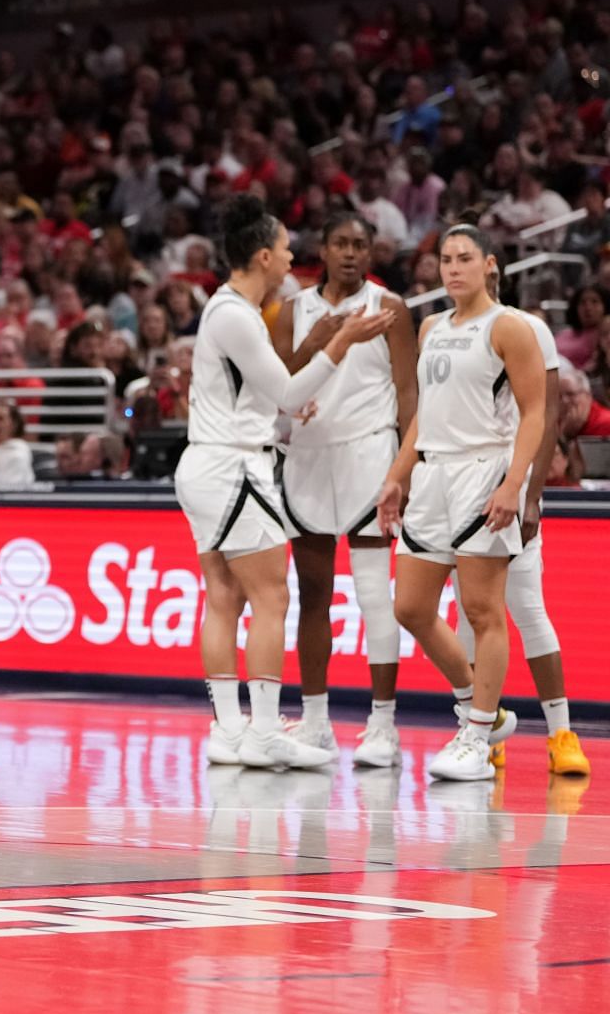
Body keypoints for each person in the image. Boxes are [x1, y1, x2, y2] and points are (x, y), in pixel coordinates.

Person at [178, 194, 391, 770]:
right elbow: (291, 390)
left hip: (209, 463)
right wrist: (339, 343)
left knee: (223, 597)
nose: (292, 253)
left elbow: (265, 401)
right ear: (263, 256)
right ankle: (266, 731)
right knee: (272, 596)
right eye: (285, 247)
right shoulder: (235, 316)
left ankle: (228, 729)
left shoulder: (228, 311)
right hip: (232, 468)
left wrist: (288, 410)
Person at [376, 225, 546, 782]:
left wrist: (512, 484)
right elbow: (427, 411)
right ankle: (483, 705)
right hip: (433, 473)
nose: (453, 268)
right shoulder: (430, 327)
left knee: (482, 609)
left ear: (488, 264)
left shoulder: (509, 328)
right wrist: (398, 476)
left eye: (464, 258)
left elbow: (535, 414)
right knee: (411, 608)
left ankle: (474, 736)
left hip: (484, 469)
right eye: (445, 259)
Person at [268, 213, 417, 767]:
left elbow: (407, 392)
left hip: (370, 457)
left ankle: (383, 726)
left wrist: (406, 468)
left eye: (360, 244)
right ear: (323, 251)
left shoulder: (391, 308)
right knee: (311, 596)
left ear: (371, 253)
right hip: (307, 460)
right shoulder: (291, 311)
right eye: (341, 244)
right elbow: (277, 384)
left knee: (376, 595)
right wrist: (310, 344)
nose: (351, 253)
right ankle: (315, 722)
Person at [448, 284, 589, 777]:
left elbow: (545, 414)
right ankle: (481, 730)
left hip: (511, 483)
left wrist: (531, 497)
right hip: (459, 490)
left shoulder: (529, 329)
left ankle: (561, 733)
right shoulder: (445, 334)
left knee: (529, 610)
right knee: (470, 617)